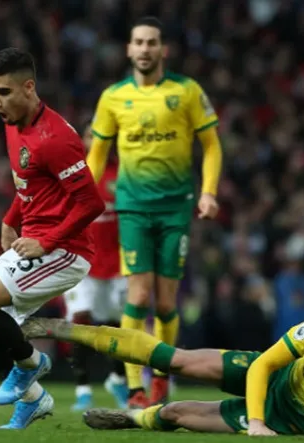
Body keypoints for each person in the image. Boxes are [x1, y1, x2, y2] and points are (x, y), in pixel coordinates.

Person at [21, 296, 304, 439]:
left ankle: (129, 418)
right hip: (271, 381)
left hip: (296, 424)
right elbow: (264, 364)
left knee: (176, 413)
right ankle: (68, 329)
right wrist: (256, 421)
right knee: (177, 359)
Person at [0, 48, 105, 430]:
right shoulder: (12, 122)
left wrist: (48, 241)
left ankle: (31, 363)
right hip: (33, 239)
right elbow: (32, 186)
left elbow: (91, 203)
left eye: (3, 92)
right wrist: (11, 218)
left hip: (67, 251)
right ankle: (34, 400)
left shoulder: (55, 138)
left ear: (29, 87)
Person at [86, 16, 224, 408]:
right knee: (138, 297)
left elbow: (212, 146)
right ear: (129, 49)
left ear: (163, 50)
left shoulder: (186, 92)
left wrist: (209, 193)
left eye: (152, 43)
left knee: (165, 304)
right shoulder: (113, 97)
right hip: (131, 207)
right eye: (138, 42)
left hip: (175, 209)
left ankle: (161, 378)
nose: (145, 49)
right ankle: (134, 388)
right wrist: (82, 196)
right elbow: (97, 154)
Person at [63, 121, 129, 411]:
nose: (96, 139)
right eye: (90, 134)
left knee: (117, 325)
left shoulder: (122, 173)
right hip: (81, 261)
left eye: (102, 135)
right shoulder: (74, 174)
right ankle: (82, 390)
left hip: (117, 264)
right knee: (80, 319)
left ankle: (117, 378)